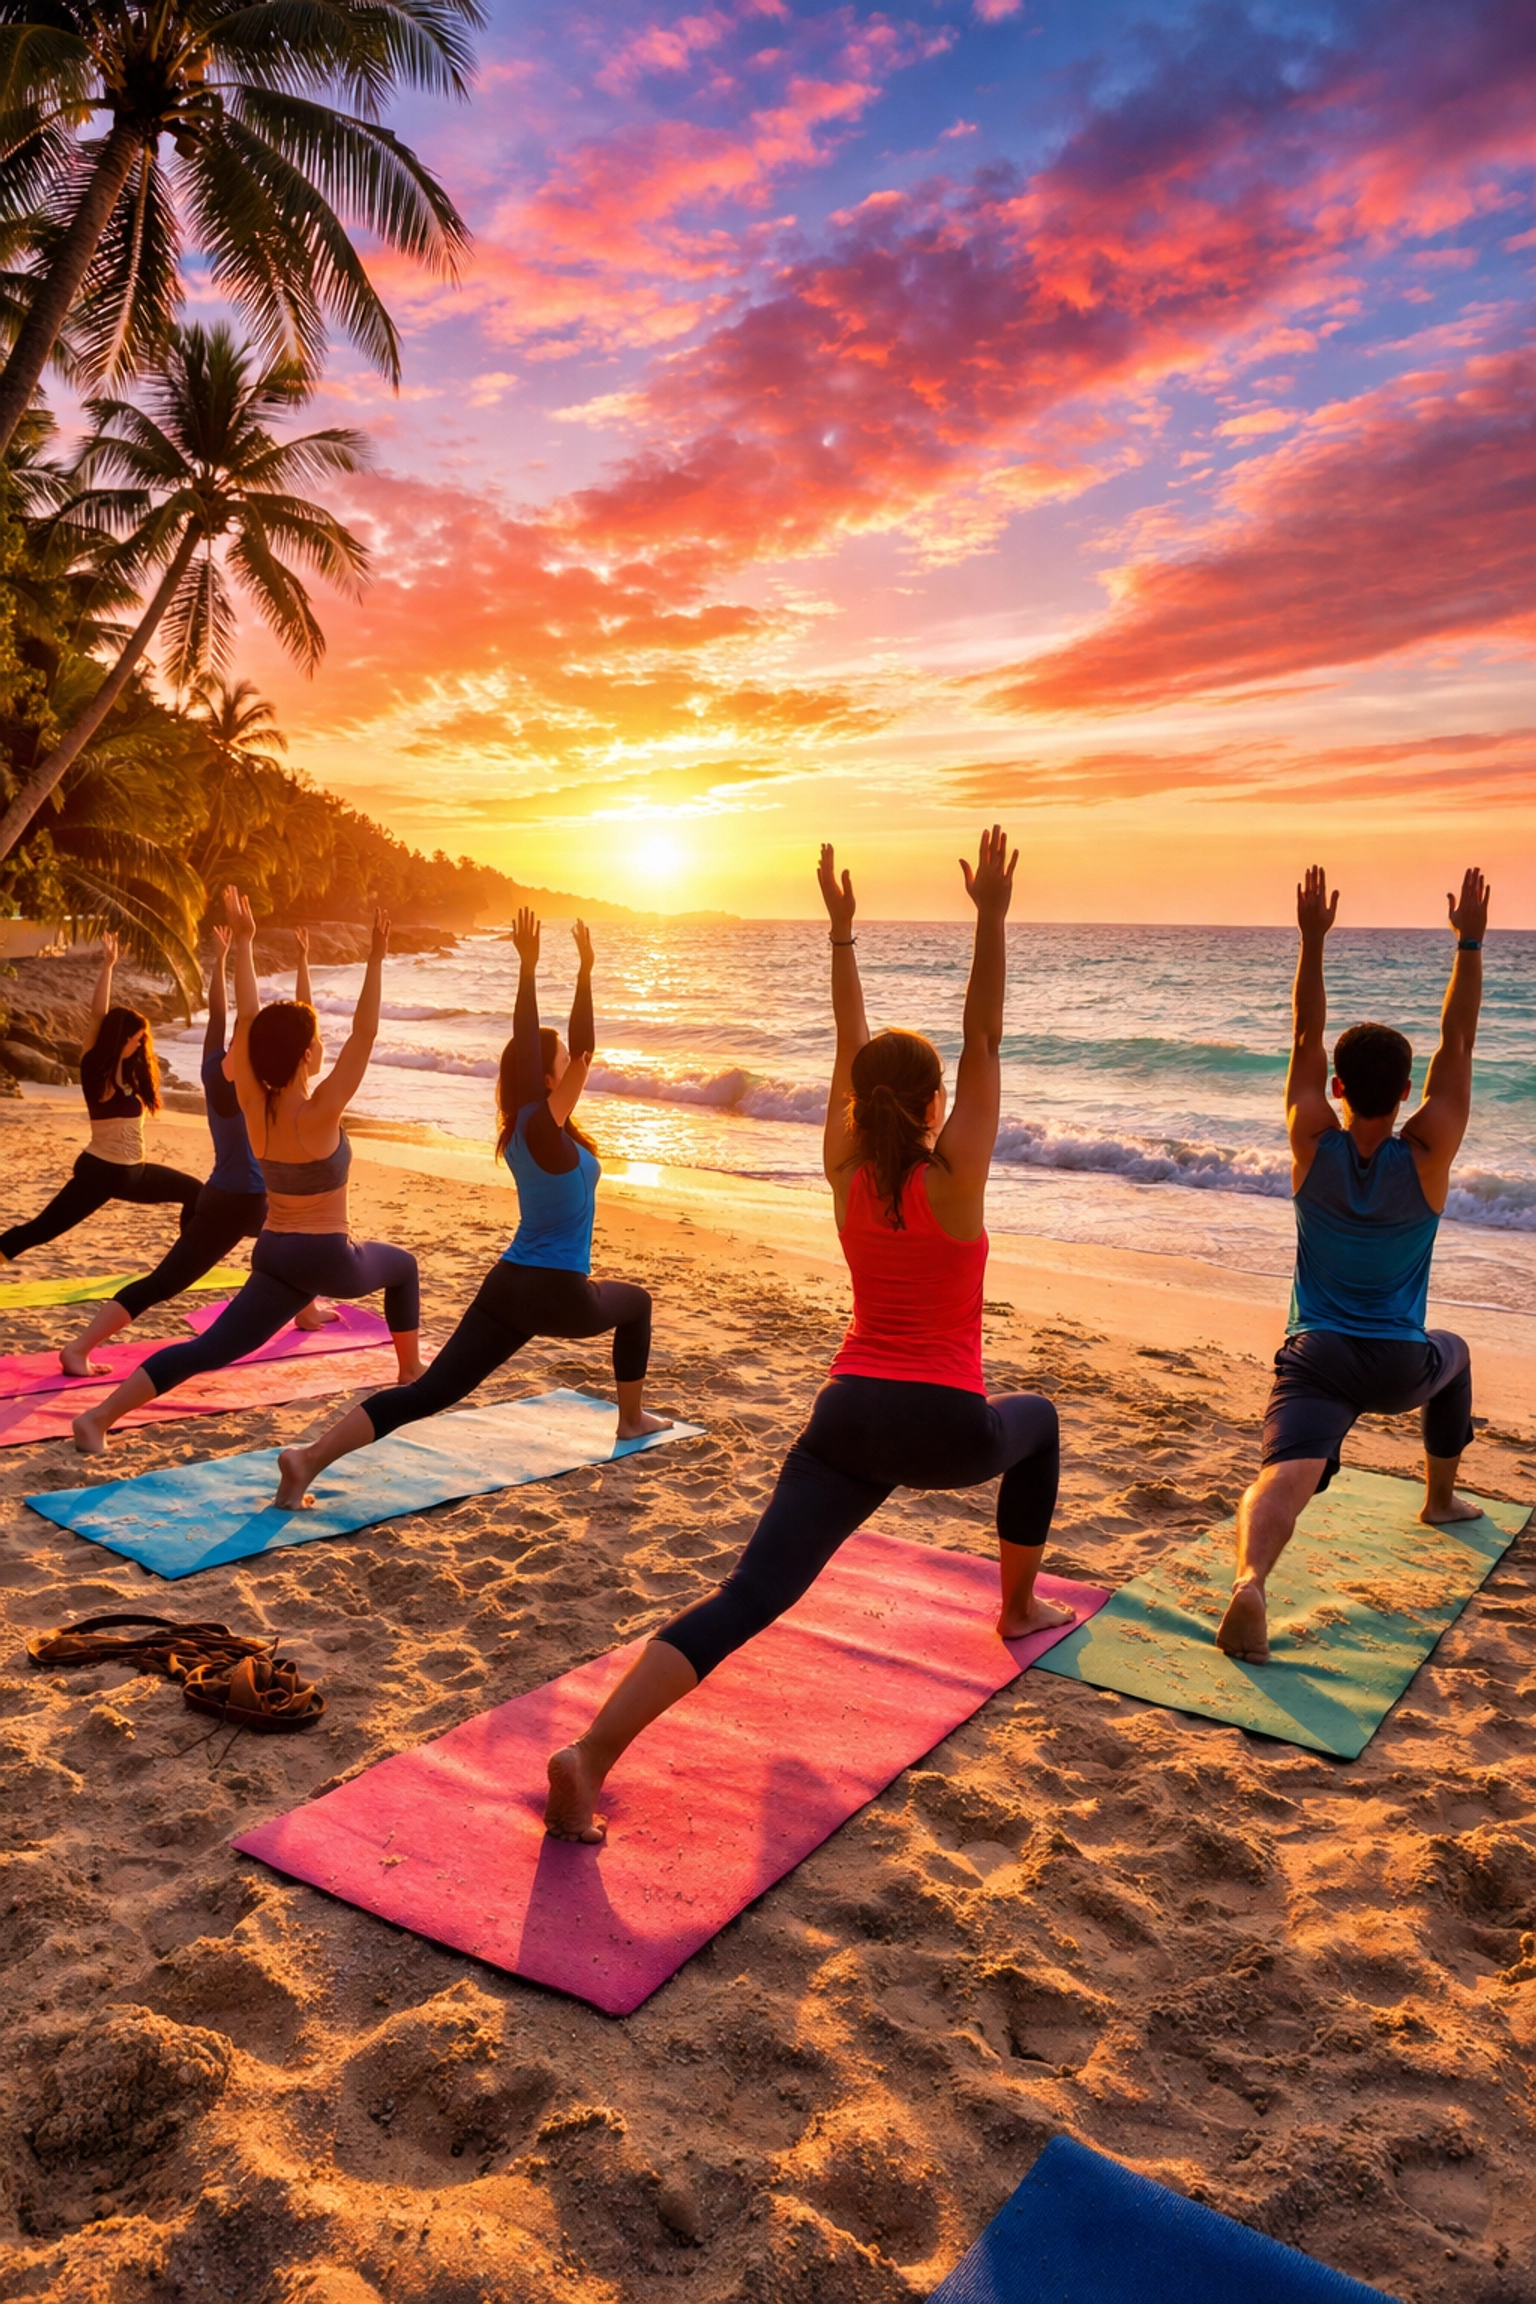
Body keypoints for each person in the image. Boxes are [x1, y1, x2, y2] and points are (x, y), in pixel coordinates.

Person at [544, 825, 1068, 1844]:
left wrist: (842, 938)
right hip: (949, 1428)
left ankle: (591, 1753)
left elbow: (849, 1051)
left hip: (848, 1415)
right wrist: (992, 918)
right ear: (931, 1107)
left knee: (750, 1593)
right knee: (1040, 1422)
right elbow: (987, 1039)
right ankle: (1016, 1606)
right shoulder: (953, 1180)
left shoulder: (842, 1171)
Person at [267, 906, 669, 1510]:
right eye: (555, 1063)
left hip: (506, 1286)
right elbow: (582, 1049)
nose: (569, 1067)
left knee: (429, 1393)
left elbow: (565, 1055)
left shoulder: (522, 1129)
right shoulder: (541, 1123)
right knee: (637, 1304)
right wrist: (564, 971)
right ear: (544, 1074)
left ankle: (308, 1460)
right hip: (558, 1291)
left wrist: (540, 968)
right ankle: (631, 1420)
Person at [1217, 865, 1490, 1666]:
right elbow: (1462, 1040)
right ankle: (1439, 1500)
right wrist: (1468, 942)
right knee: (1457, 1352)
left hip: (1319, 1358)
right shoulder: (1429, 1151)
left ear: (1337, 1087)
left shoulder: (1311, 1140)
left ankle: (1249, 1583)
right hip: (1401, 1365)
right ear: (1408, 1092)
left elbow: (1305, 1036)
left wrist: (1311, 939)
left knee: (1285, 1473)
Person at [71, 891, 421, 1455]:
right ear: (308, 1054)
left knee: (210, 1349)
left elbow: (252, 1019)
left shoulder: (254, 1101)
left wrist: (248, 946)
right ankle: (411, 1373)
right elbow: (365, 1035)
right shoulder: (319, 1111)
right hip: (326, 1256)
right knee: (404, 1268)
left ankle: (99, 1417)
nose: (325, 1045)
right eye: (317, 1042)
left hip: (276, 1251)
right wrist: (376, 958)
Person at [58, 926, 335, 1375]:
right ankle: (79, 1347)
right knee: (168, 1281)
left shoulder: (215, 1069)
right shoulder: (258, 1086)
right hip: (236, 1202)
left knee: (300, 1245)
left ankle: (304, 1311)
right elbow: (273, 1025)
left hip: (239, 1198)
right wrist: (243, 951)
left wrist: (225, 958)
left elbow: (231, 1017)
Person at [0, 935, 202, 1269]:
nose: (141, 1046)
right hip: (100, 1172)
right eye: (137, 1040)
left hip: (134, 1173)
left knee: (197, 1193)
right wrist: (107, 966)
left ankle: (188, 1260)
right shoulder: (95, 1067)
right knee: (40, 1230)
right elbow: (98, 1016)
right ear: (121, 1038)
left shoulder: (132, 1074)